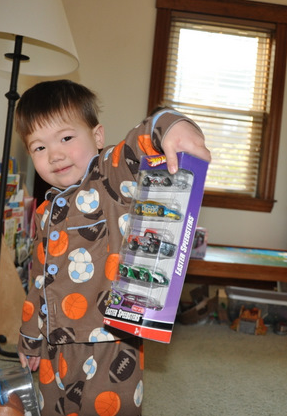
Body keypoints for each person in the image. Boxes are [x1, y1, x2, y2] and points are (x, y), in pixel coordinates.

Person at [14, 79, 210, 416]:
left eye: (66, 138)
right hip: (53, 344)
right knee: (52, 408)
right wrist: (30, 338)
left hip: (109, 339)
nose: (55, 155)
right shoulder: (45, 212)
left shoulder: (109, 178)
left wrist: (172, 126)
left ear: (97, 137)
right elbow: (38, 281)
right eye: (39, 147)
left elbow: (139, 141)